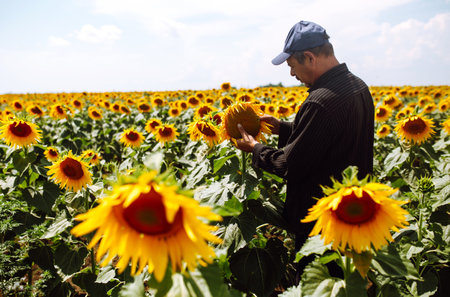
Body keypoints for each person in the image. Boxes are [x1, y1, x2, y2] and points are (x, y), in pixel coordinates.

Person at [235, 20, 374, 275]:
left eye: (292, 66)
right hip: (352, 212)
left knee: (320, 285)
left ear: (309, 57)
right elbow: (333, 139)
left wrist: (255, 148)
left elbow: (288, 165)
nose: (291, 75)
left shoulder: (320, 100)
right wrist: (284, 128)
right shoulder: (358, 87)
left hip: (321, 224)